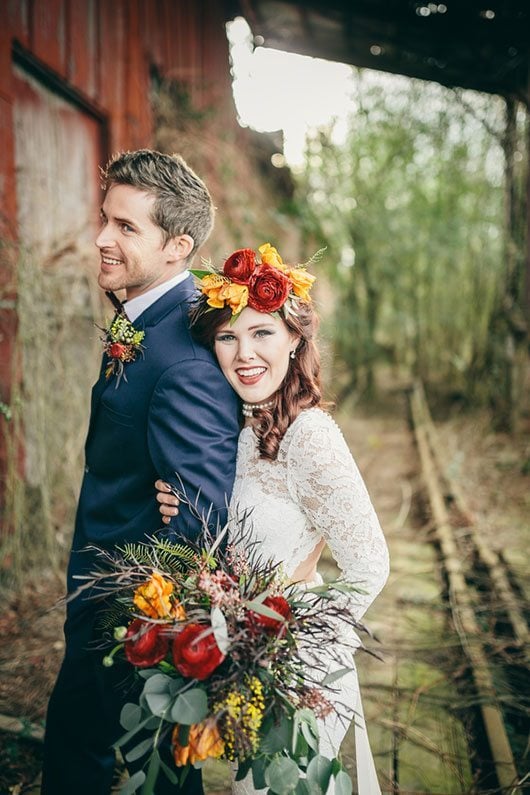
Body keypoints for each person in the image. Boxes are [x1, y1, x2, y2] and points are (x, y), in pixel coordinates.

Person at [156, 244, 390, 794]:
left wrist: (289, 644)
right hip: (249, 669)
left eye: (262, 332)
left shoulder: (309, 436)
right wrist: (177, 502)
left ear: (294, 340)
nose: (244, 353)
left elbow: (370, 564)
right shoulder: (239, 431)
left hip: (297, 675)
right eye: (227, 337)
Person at [42, 150, 240, 795]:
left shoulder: (183, 356)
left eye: (126, 229)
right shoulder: (145, 320)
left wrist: (150, 630)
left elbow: (199, 518)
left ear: (178, 246)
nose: (102, 238)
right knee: (93, 749)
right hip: (103, 589)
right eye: (106, 219)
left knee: (146, 766)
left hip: (133, 615)